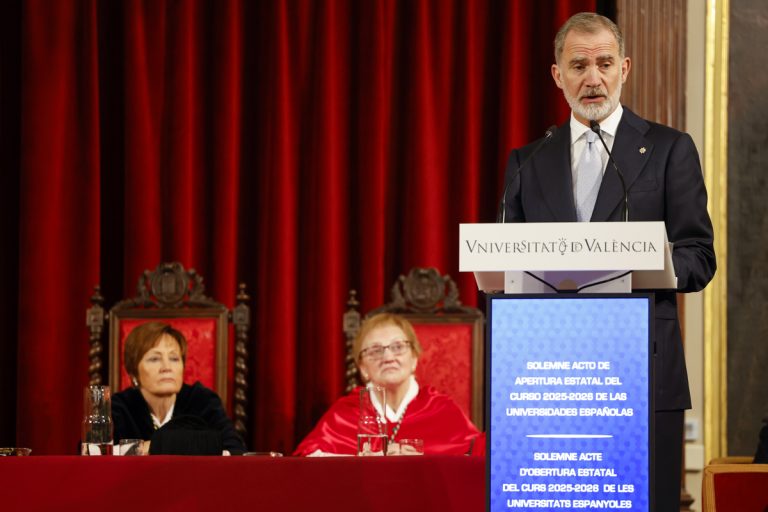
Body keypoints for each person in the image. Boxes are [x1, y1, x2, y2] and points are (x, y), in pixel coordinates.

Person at [500, 12, 716, 511]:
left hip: (642, 370)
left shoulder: (669, 150)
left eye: (604, 63)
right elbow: (506, 264)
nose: (592, 78)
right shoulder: (528, 161)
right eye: (578, 66)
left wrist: (648, 262)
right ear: (558, 75)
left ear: (625, 68)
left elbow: (699, 256)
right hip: (549, 379)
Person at [294, 313, 482, 456]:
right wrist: (364, 464)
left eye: (398, 347)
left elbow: (478, 457)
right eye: (375, 350)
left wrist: (424, 464)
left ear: (414, 359)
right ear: (363, 368)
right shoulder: (345, 412)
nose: (388, 357)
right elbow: (308, 460)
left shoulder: (439, 408)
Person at [111, 321, 246, 455]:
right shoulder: (119, 407)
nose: (167, 367)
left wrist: (154, 446)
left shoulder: (202, 400)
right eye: (154, 359)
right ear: (133, 371)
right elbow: (103, 453)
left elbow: (235, 450)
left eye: (174, 359)